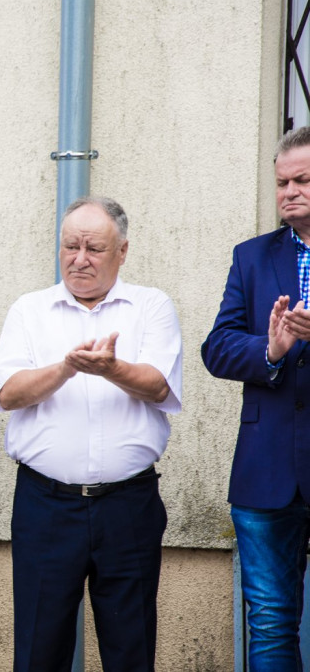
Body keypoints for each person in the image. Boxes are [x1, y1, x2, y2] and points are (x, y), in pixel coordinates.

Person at [0, 196, 182, 671]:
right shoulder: (29, 310)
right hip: (46, 506)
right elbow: (9, 394)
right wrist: (67, 368)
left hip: (128, 505)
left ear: (123, 251)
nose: (79, 258)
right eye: (70, 246)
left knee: (130, 646)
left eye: (94, 248)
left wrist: (111, 368)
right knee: (39, 647)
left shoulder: (151, 306)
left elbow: (159, 385)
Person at [202, 125, 310, 669]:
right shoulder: (251, 257)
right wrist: (269, 350)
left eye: (303, 180)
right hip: (266, 471)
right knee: (269, 622)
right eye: (282, 182)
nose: (289, 191)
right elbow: (217, 348)